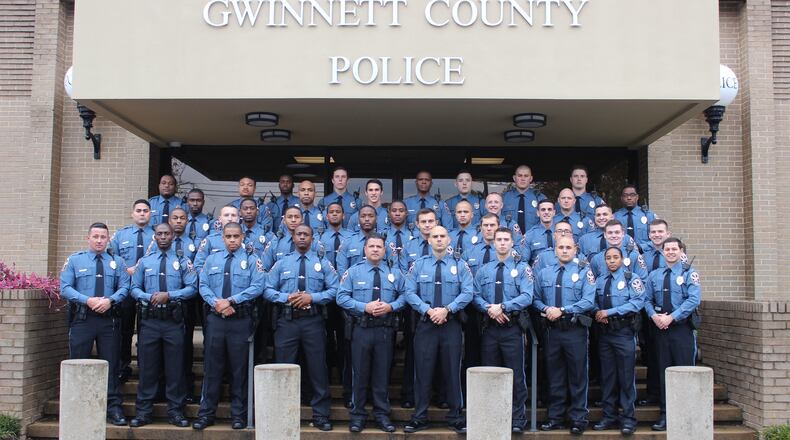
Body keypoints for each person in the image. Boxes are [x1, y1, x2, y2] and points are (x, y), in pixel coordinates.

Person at [264, 224, 338, 431]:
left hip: (313, 321)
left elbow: (335, 289)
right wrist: (286, 297)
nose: (303, 238)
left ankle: (321, 414)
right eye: (299, 234)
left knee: (317, 369)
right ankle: (280, 414)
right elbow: (267, 290)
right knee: (283, 368)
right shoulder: (281, 263)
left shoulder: (322, 263)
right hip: (287, 321)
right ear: (293, 238)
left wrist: (312, 297)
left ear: (312, 238)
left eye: (306, 234)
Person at [193, 222, 265, 430]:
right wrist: (217, 303)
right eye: (229, 236)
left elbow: (257, 286)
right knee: (212, 369)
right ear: (222, 238)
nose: (232, 240)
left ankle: (238, 415)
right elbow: (203, 284)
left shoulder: (252, 260)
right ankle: (206, 414)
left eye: (236, 236)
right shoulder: (211, 259)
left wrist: (231, 301)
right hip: (216, 320)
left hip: (240, 321)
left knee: (239, 370)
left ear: (243, 237)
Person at [403, 226, 473, 434]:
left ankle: (455, 417)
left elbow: (468, 292)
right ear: (429, 240)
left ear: (449, 240)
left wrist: (447, 310)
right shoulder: (418, 265)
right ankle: (419, 417)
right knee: (423, 372)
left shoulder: (460, 265)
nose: (439, 239)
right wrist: (428, 310)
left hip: (451, 324)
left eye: (443, 236)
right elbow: (409, 292)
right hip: (426, 325)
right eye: (435, 236)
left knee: (452, 370)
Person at [60, 222, 130, 426]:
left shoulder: (117, 261)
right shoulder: (75, 260)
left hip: (109, 320)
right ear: (88, 238)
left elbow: (125, 287)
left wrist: (110, 300)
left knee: (111, 363)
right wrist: (87, 300)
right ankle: (77, 408)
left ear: (109, 239)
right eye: (96, 236)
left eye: (103, 237)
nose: (99, 240)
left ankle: (113, 407)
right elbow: (65, 287)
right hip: (83, 319)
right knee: (77, 363)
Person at [336, 234, 406, 433]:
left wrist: (391, 306)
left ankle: (382, 415)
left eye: (379, 246)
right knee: (359, 374)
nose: (375, 249)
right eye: (372, 246)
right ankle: (358, 415)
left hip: (385, 330)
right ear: (365, 249)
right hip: (361, 329)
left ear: (385, 251)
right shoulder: (353, 272)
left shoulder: (395, 273)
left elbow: (405, 296)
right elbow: (341, 298)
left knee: (381, 374)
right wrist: (363, 307)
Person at [129, 223, 197, 428]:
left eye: (167, 233)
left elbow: (192, 288)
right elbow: (134, 288)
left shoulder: (183, 261)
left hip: (173, 322)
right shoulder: (144, 262)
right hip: (149, 322)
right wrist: (149, 297)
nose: (163, 237)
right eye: (160, 234)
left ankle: (176, 412)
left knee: (175, 369)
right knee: (148, 369)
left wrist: (170, 295)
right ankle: (143, 412)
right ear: (155, 237)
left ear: (172, 237)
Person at [472, 227, 534, 433]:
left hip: (512, 328)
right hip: (490, 328)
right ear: (493, 242)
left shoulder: (522, 267)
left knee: (516, 375)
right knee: (490, 373)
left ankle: (517, 418)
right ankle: (492, 415)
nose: (502, 243)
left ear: (512, 242)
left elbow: (527, 296)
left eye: (506, 239)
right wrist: (490, 309)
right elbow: (475, 295)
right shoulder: (484, 270)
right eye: (498, 239)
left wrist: (504, 307)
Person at [533, 236, 595, 435]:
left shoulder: (584, 272)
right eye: (561, 247)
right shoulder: (544, 273)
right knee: (555, 375)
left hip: (574, 330)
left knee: (578, 375)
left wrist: (563, 309)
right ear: (555, 250)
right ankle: (555, 417)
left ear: (575, 250)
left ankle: (579, 418)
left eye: (569, 247)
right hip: (552, 331)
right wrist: (546, 308)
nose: (565, 250)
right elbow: (534, 298)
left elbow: (589, 301)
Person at [643, 237, 701, 432]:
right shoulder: (654, 276)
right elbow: (646, 300)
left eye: (674, 249)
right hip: (661, 330)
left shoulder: (689, 274)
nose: (670, 252)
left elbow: (693, 300)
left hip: (681, 330)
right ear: (662, 252)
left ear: (681, 251)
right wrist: (654, 316)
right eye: (667, 249)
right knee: (663, 372)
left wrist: (672, 318)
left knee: (686, 372)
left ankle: (688, 415)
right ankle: (665, 414)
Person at [591, 247, 645, 436]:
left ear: (622, 259)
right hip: (605, 333)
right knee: (608, 376)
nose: (612, 261)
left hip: (623, 332)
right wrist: (599, 312)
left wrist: (610, 312)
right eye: (608, 258)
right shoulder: (600, 280)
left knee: (626, 377)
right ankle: (608, 416)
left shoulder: (631, 278)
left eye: (615, 257)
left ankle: (628, 419)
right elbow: (593, 300)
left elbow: (638, 302)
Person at [110, 199, 155, 383]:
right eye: (139, 210)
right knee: (125, 329)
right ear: (132, 213)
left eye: (145, 210)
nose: (142, 213)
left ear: (150, 213)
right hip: (126, 288)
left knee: (147, 330)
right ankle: (123, 366)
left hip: (149, 288)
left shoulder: (157, 234)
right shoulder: (121, 235)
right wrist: (125, 270)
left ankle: (146, 366)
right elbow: (111, 258)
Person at [194, 205, 240, 271]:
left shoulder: (245, 240)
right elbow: (198, 265)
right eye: (226, 215)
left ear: (238, 219)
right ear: (220, 219)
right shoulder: (210, 240)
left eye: (233, 215)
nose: (230, 219)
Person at [503, 165, 546, 233]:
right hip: (509, 240)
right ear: (514, 178)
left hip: (533, 240)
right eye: (520, 175)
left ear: (531, 178)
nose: (523, 178)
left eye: (526, 176)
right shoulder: (504, 198)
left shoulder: (540, 198)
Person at [614, 185, 657, 252]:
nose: (629, 198)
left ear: (637, 197)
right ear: (621, 198)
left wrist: (641, 247)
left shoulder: (649, 215)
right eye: (625, 195)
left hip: (645, 254)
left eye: (632, 195)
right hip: (621, 255)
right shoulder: (615, 217)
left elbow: (658, 238)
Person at [382, 200, 414, 272]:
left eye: (401, 211)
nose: (397, 213)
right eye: (394, 211)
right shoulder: (382, 236)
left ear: (406, 213)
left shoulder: (415, 236)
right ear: (389, 214)